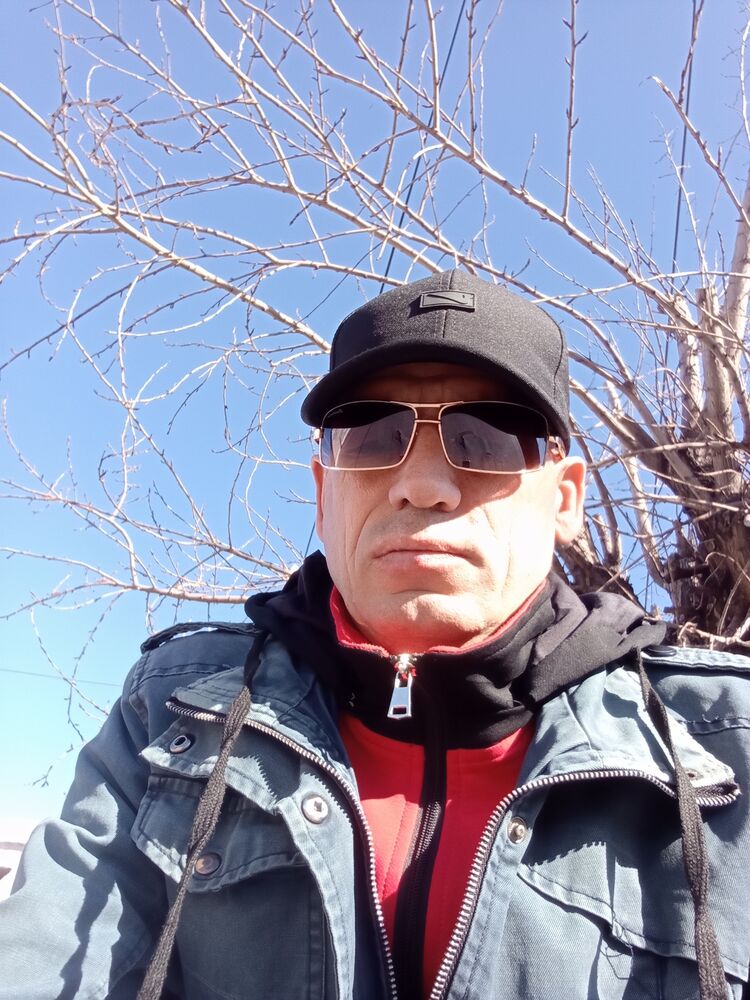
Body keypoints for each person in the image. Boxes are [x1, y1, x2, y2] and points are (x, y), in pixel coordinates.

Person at [2, 270, 748, 1000]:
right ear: (323, 495)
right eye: (373, 435)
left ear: (564, 500)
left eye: (486, 439)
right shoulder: (173, 712)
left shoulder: (726, 745)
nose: (422, 484)